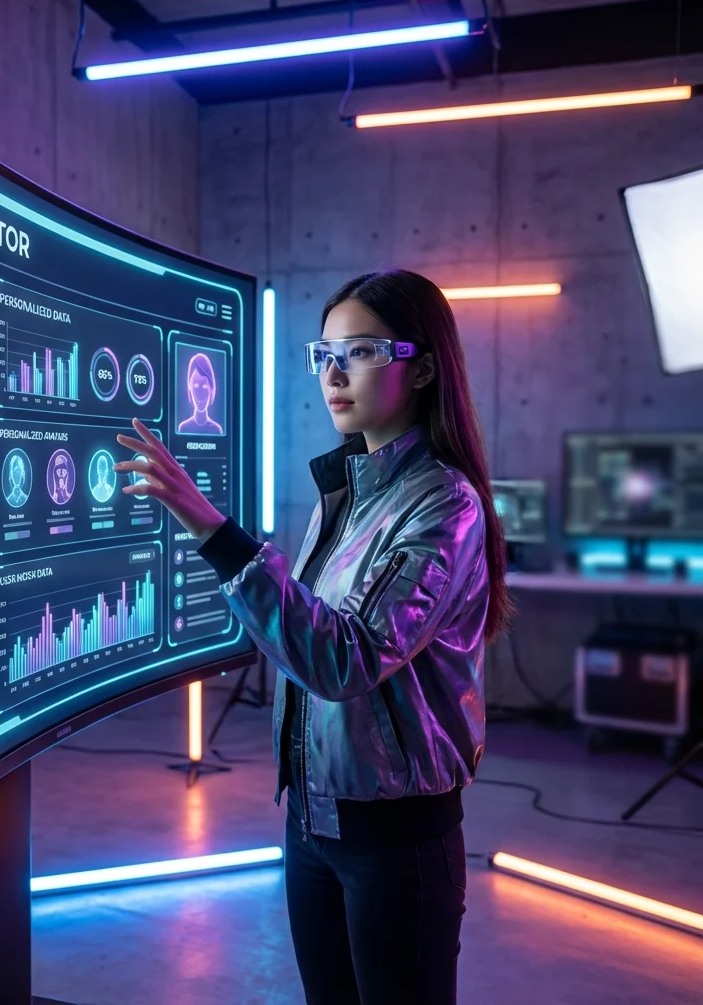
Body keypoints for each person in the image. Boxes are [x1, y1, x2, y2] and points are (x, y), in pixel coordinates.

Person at [114, 270, 511, 1005]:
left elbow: (344, 657)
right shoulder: (349, 490)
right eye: (322, 353)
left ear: (422, 367)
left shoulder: (445, 503)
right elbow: (306, 626)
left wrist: (214, 531)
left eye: (357, 351)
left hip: (396, 837)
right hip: (311, 820)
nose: (332, 373)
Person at [176, 351, 224, 435]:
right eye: (196, 386)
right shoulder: (183, 428)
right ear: (190, 388)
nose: (200, 396)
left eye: (205, 386)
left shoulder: (217, 430)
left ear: (211, 389)